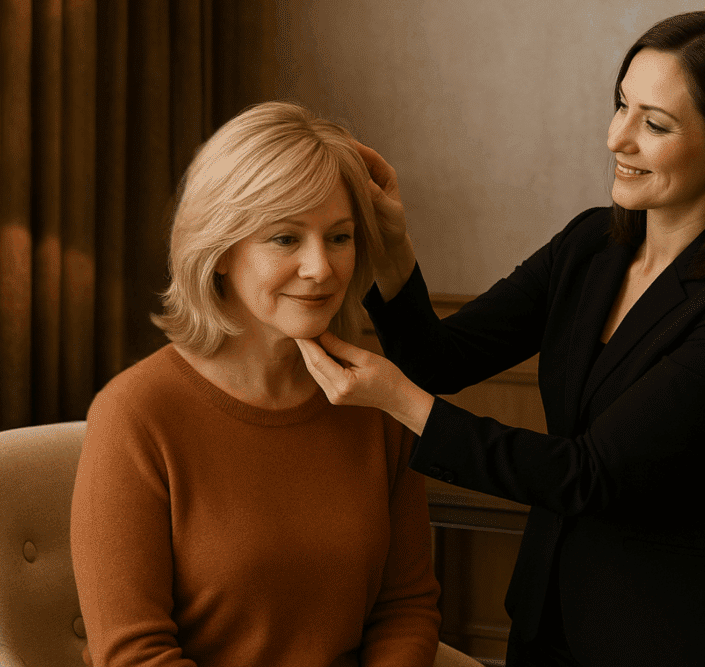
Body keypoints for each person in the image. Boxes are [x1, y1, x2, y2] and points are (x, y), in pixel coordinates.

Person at [299, 10, 705, 666]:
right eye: (620, 105)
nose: (617, 138)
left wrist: (399, 401)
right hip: (548, 615)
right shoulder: (591, 245)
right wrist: (393, 248)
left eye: (654, 123)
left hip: (668, 633)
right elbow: (438, 358)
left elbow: (590, 474)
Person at [70, 101, 441, 667]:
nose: (321, 267)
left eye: (339, 238)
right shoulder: (135, 413)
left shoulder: (378, 401)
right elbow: (135, 654)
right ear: (219, 253)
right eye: (286, 239)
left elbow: (406, 610)